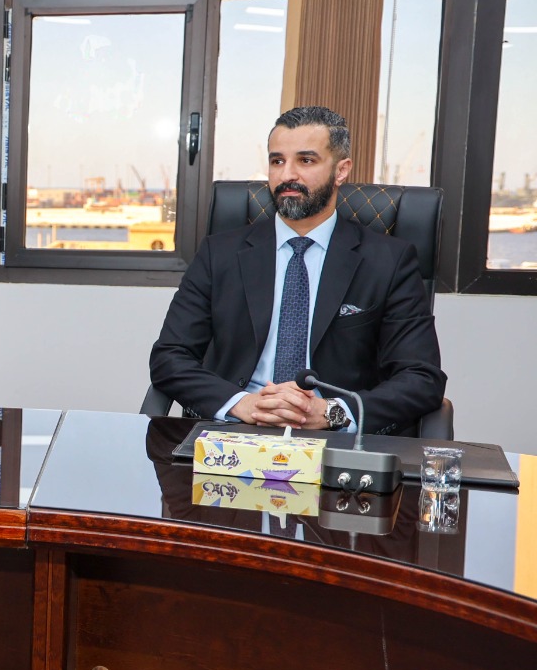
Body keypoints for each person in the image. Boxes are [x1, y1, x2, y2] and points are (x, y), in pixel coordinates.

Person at [150, 105, 446, 437]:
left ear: (341, 170)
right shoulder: (218, 254)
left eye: (305, 160)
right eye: (277, 161)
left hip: (334, 439)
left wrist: (331, 412)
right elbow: (170, 356)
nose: (287, 175)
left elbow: (421, 378)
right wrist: (240, 403)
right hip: (234, 431)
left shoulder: (388, 261)